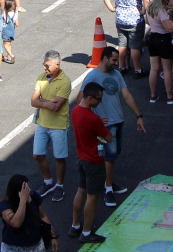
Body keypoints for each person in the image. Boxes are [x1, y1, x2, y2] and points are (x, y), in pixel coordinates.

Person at [77, 47, 146, 209]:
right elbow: (80, 102)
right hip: (103, 125)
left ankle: (107, 182)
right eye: (114, 60)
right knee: (108, 156)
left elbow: (127, 95)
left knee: (111, 156)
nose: (117, 63)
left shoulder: (116, 74)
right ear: (105, 58)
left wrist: (138, 116)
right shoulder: (92, 77)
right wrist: (95, 119)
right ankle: (108, 188)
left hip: (117, 121)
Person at [69, 81, 112, 244]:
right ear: (89, 98)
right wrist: (99, 132)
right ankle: (86, 233)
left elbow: (87, 127)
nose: (100, 102)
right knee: (92, 197)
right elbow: (108, 137)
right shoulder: (94, 119)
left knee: (80, 191)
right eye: (98, 99)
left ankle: (75, 225)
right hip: (94, 161)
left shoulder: (75, 111)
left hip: (81, 158)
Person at [30, 50, 72, 204]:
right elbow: (33, 101)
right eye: (44, 65)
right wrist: (47, 103)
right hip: (42, 124)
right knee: (38, 155)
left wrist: (42, 102)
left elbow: (57, 105)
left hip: (58, 126)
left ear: (57, 65)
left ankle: (59, 185)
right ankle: (48, 182)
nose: (45, 68)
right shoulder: (41, 78)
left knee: (60, 157)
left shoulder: (65, 82)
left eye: (47, 65)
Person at [102, 0, 151, 75]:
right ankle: (138, 69)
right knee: (135, 46)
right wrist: (143, 11)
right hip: (134, 20)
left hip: (120, 19)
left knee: (122, 44)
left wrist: (111, 8)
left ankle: (122, 66)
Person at [0, 174, 59, 252]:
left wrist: (53, 236)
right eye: (25, 189)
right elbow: (16, 223)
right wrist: (23, 201)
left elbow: (43, 217)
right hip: (14, 248)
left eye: (28, 187)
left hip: (36, 246)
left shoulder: (33, 196)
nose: (29, 191)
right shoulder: (5, 205)